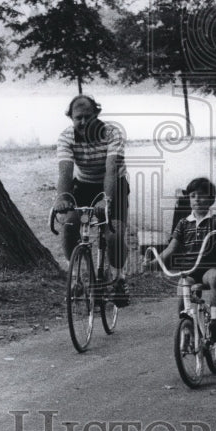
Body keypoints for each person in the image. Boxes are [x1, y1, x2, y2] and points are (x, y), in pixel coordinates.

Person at [53, 94, 130, 305]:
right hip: (85, 184)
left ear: (97, 114)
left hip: (114, 184)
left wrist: (107, 199)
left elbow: (111, 169)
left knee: (114, 233)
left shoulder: (112, 133)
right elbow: (65, 171)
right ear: (71, 118)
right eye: (78, 118)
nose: (83, 122)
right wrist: (62, 199)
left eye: (88, 116)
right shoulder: (66, 137)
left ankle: (119, 278)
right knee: (69, 224)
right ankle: (76, 277)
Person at [151, 176, 216, 345]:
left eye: (201, 195)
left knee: (215, 277)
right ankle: (187, 330)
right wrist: (155, 263)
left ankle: (215, 321)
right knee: (183, 289)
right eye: (192, 196)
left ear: (211, 199)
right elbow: (171, 249)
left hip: (208, 268)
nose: (197, 199)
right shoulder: (183, 223)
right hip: (190, 270)